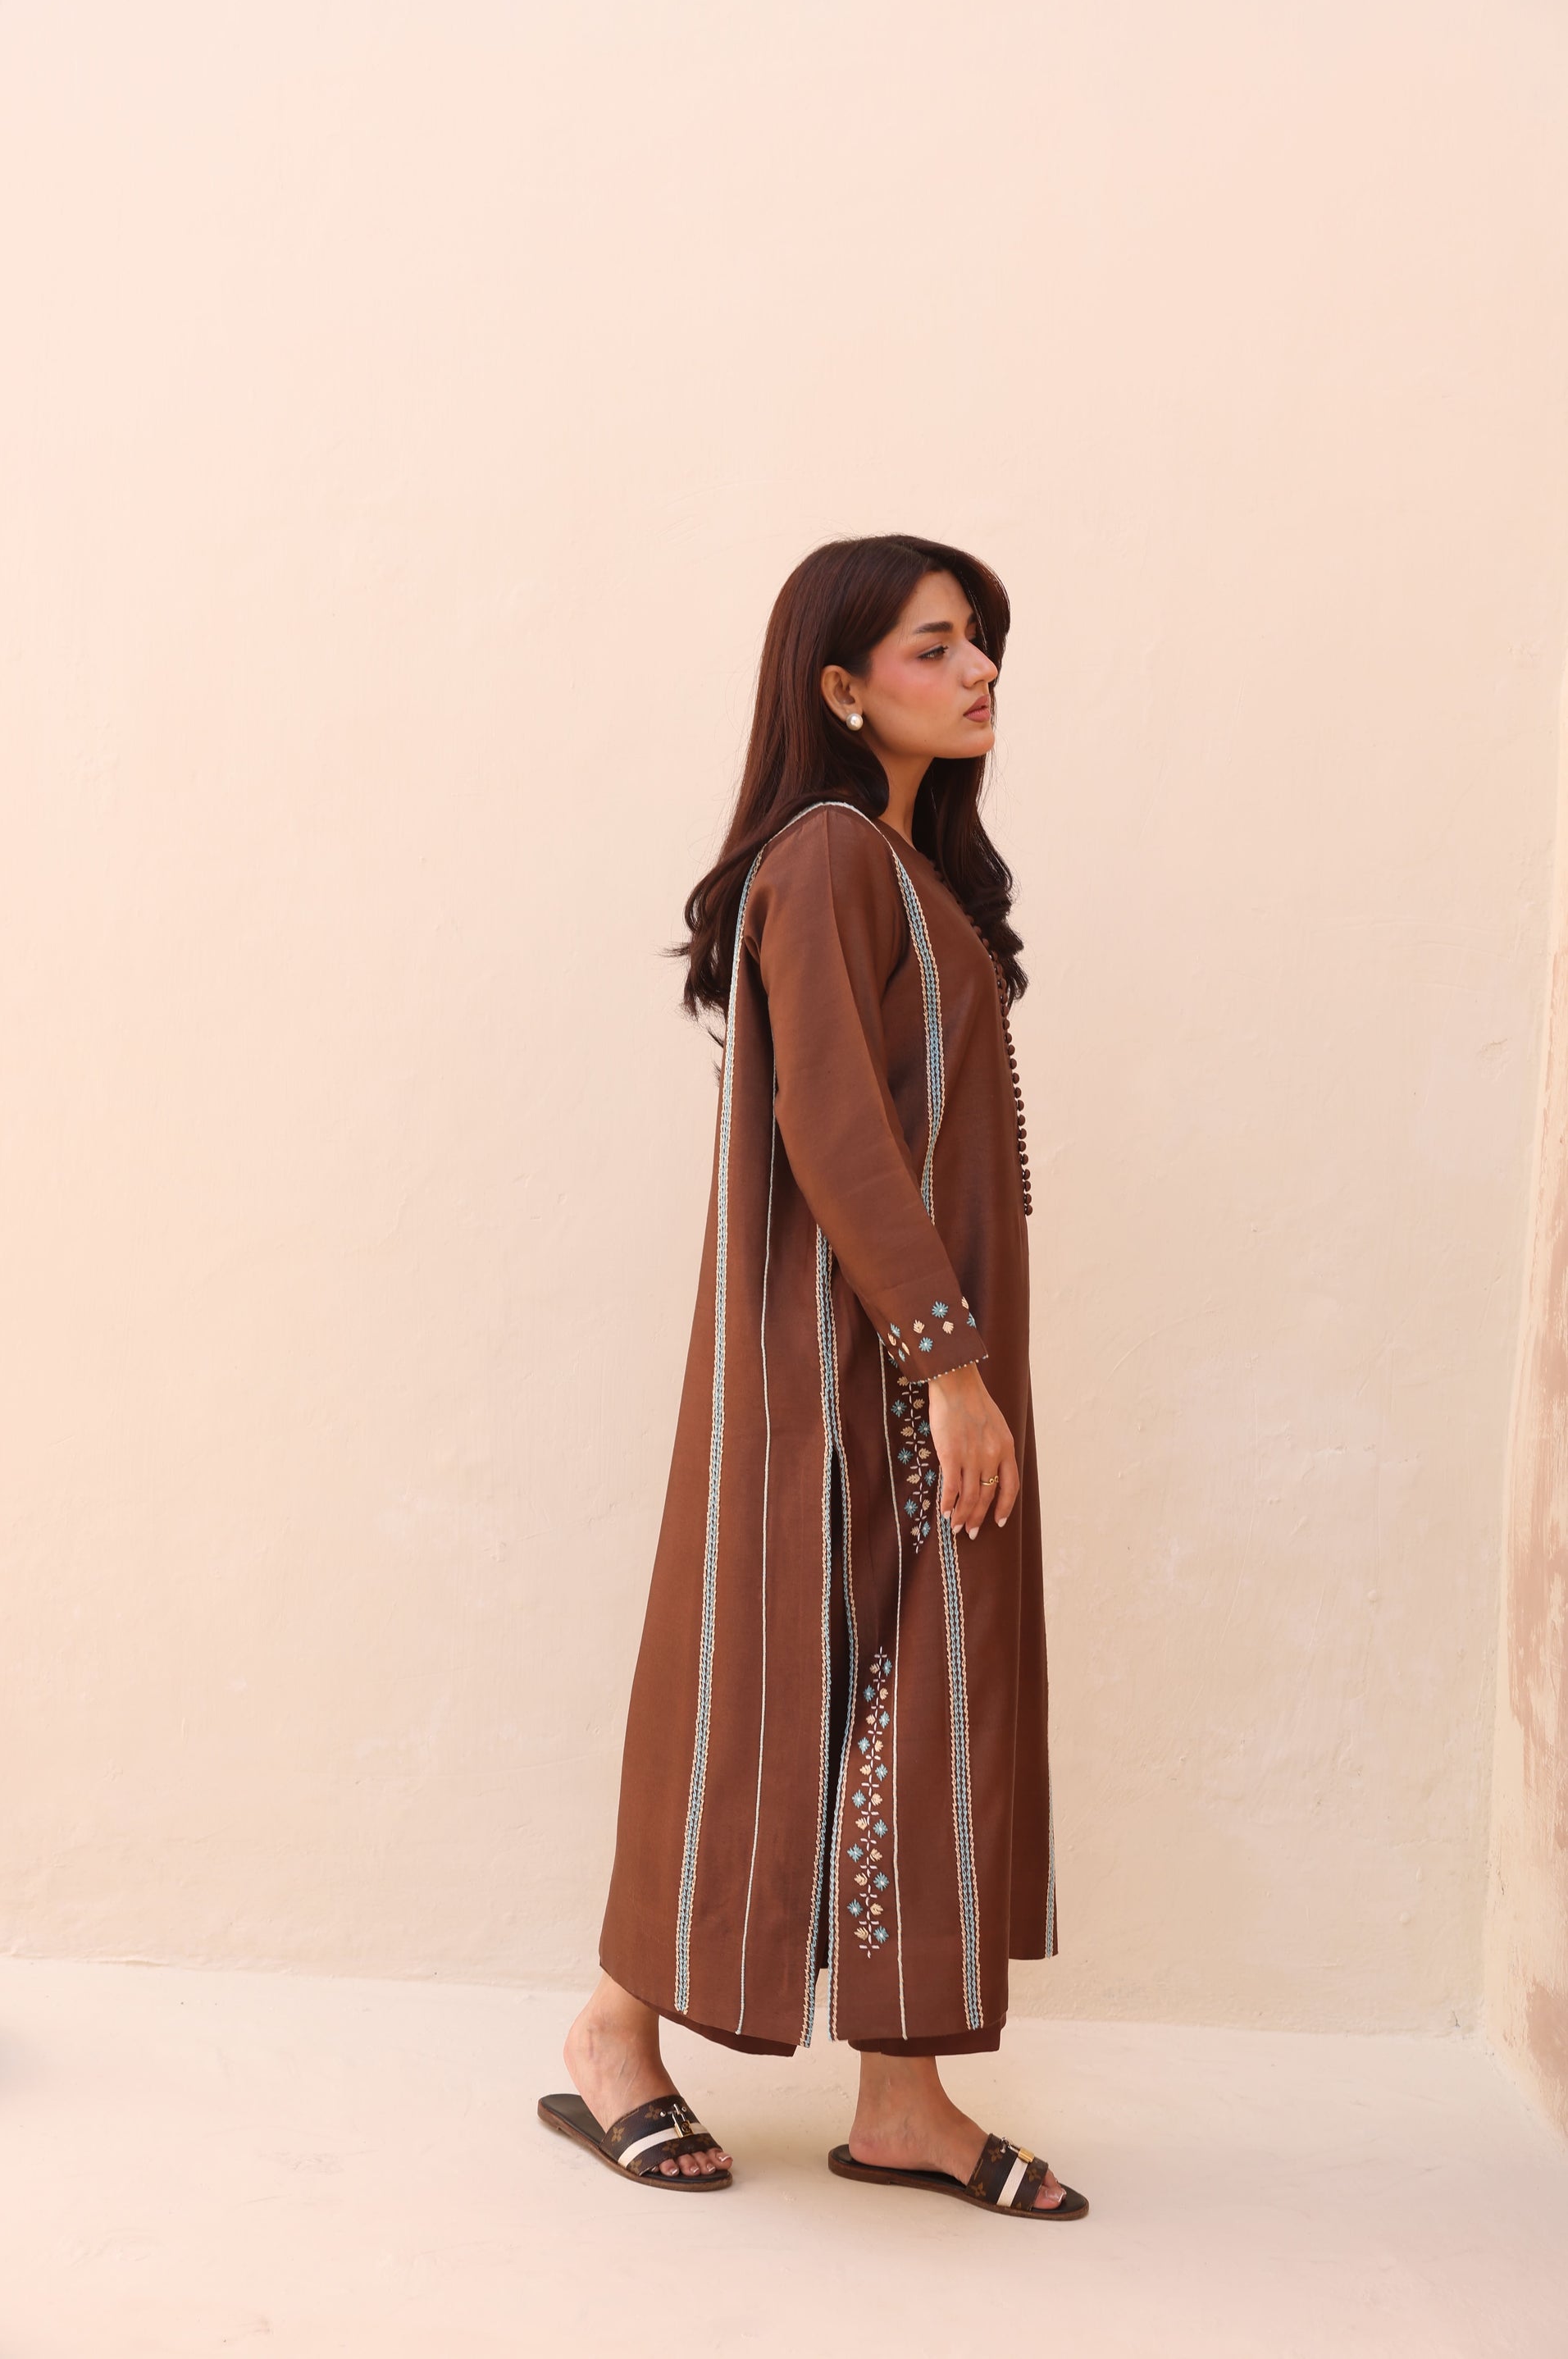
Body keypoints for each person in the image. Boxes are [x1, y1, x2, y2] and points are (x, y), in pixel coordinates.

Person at [536, 536, 1087, 2220]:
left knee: (917, 1707)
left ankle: (904, 2102)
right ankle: (612, 2035)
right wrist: (949, 1367)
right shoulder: (830, 853)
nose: (978, 668)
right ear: (841, 688)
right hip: (850, 1375)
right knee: (767, 1690)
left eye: (980, 639)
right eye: (935, 644)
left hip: (914, 1365)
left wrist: (956, 1368)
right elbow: (836, 1134)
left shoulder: (911, 874)